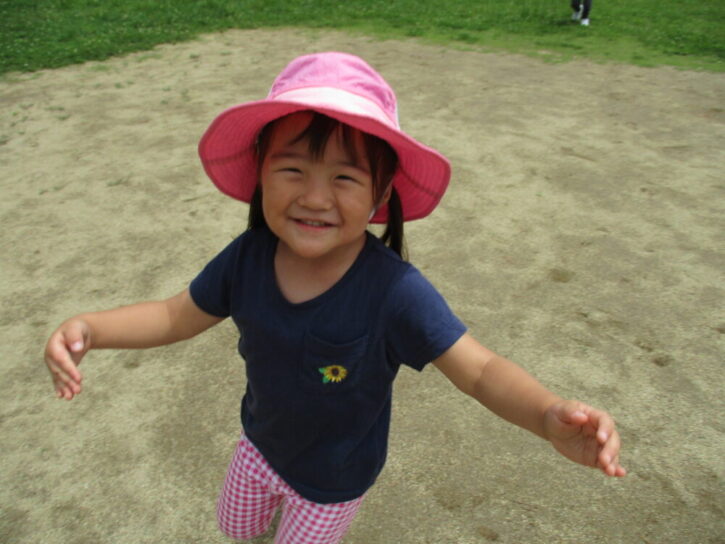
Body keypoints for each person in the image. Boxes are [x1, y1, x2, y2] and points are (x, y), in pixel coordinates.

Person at [44, 52, 625, 543]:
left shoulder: (395, 291)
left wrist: (545, 414)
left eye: (345, 177)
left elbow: (480, 370)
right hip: (258, 446)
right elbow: (175, 315)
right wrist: (92, 328)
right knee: (236, 528)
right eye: (292, 169)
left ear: (382, 191)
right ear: (260, 173)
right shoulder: (247, 256)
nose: (315, 197)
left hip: (333, 482)